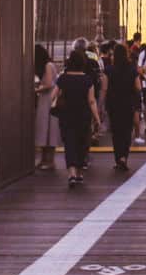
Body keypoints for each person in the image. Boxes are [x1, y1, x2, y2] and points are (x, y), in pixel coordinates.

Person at [50, 52, 101, 187]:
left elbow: (53, 95)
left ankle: (71, 173)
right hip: (83, 115)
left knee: (70, 143)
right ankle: (79, 173)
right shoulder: (88, 80)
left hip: (66, 115)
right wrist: (97, 118)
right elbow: (91, 101)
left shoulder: (63, 78)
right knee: (81, 143)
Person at [102, 43, 140, 172]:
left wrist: (102, 104)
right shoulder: (132, 69)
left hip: (113, 104)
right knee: (127, 131)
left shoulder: (108, 70)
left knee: (116, 132)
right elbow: (138, 87)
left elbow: (105, 88)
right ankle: (124, 157)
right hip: (128, 103)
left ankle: (118, 158)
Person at [33, 43, 57, 172]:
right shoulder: (51, 64)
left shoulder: (47, 66)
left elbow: (48, 84)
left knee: (47, 129)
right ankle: (44, 159)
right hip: (47, 99)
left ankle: (49, 161)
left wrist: (36, 89)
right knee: (46, 129)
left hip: (47, 99)